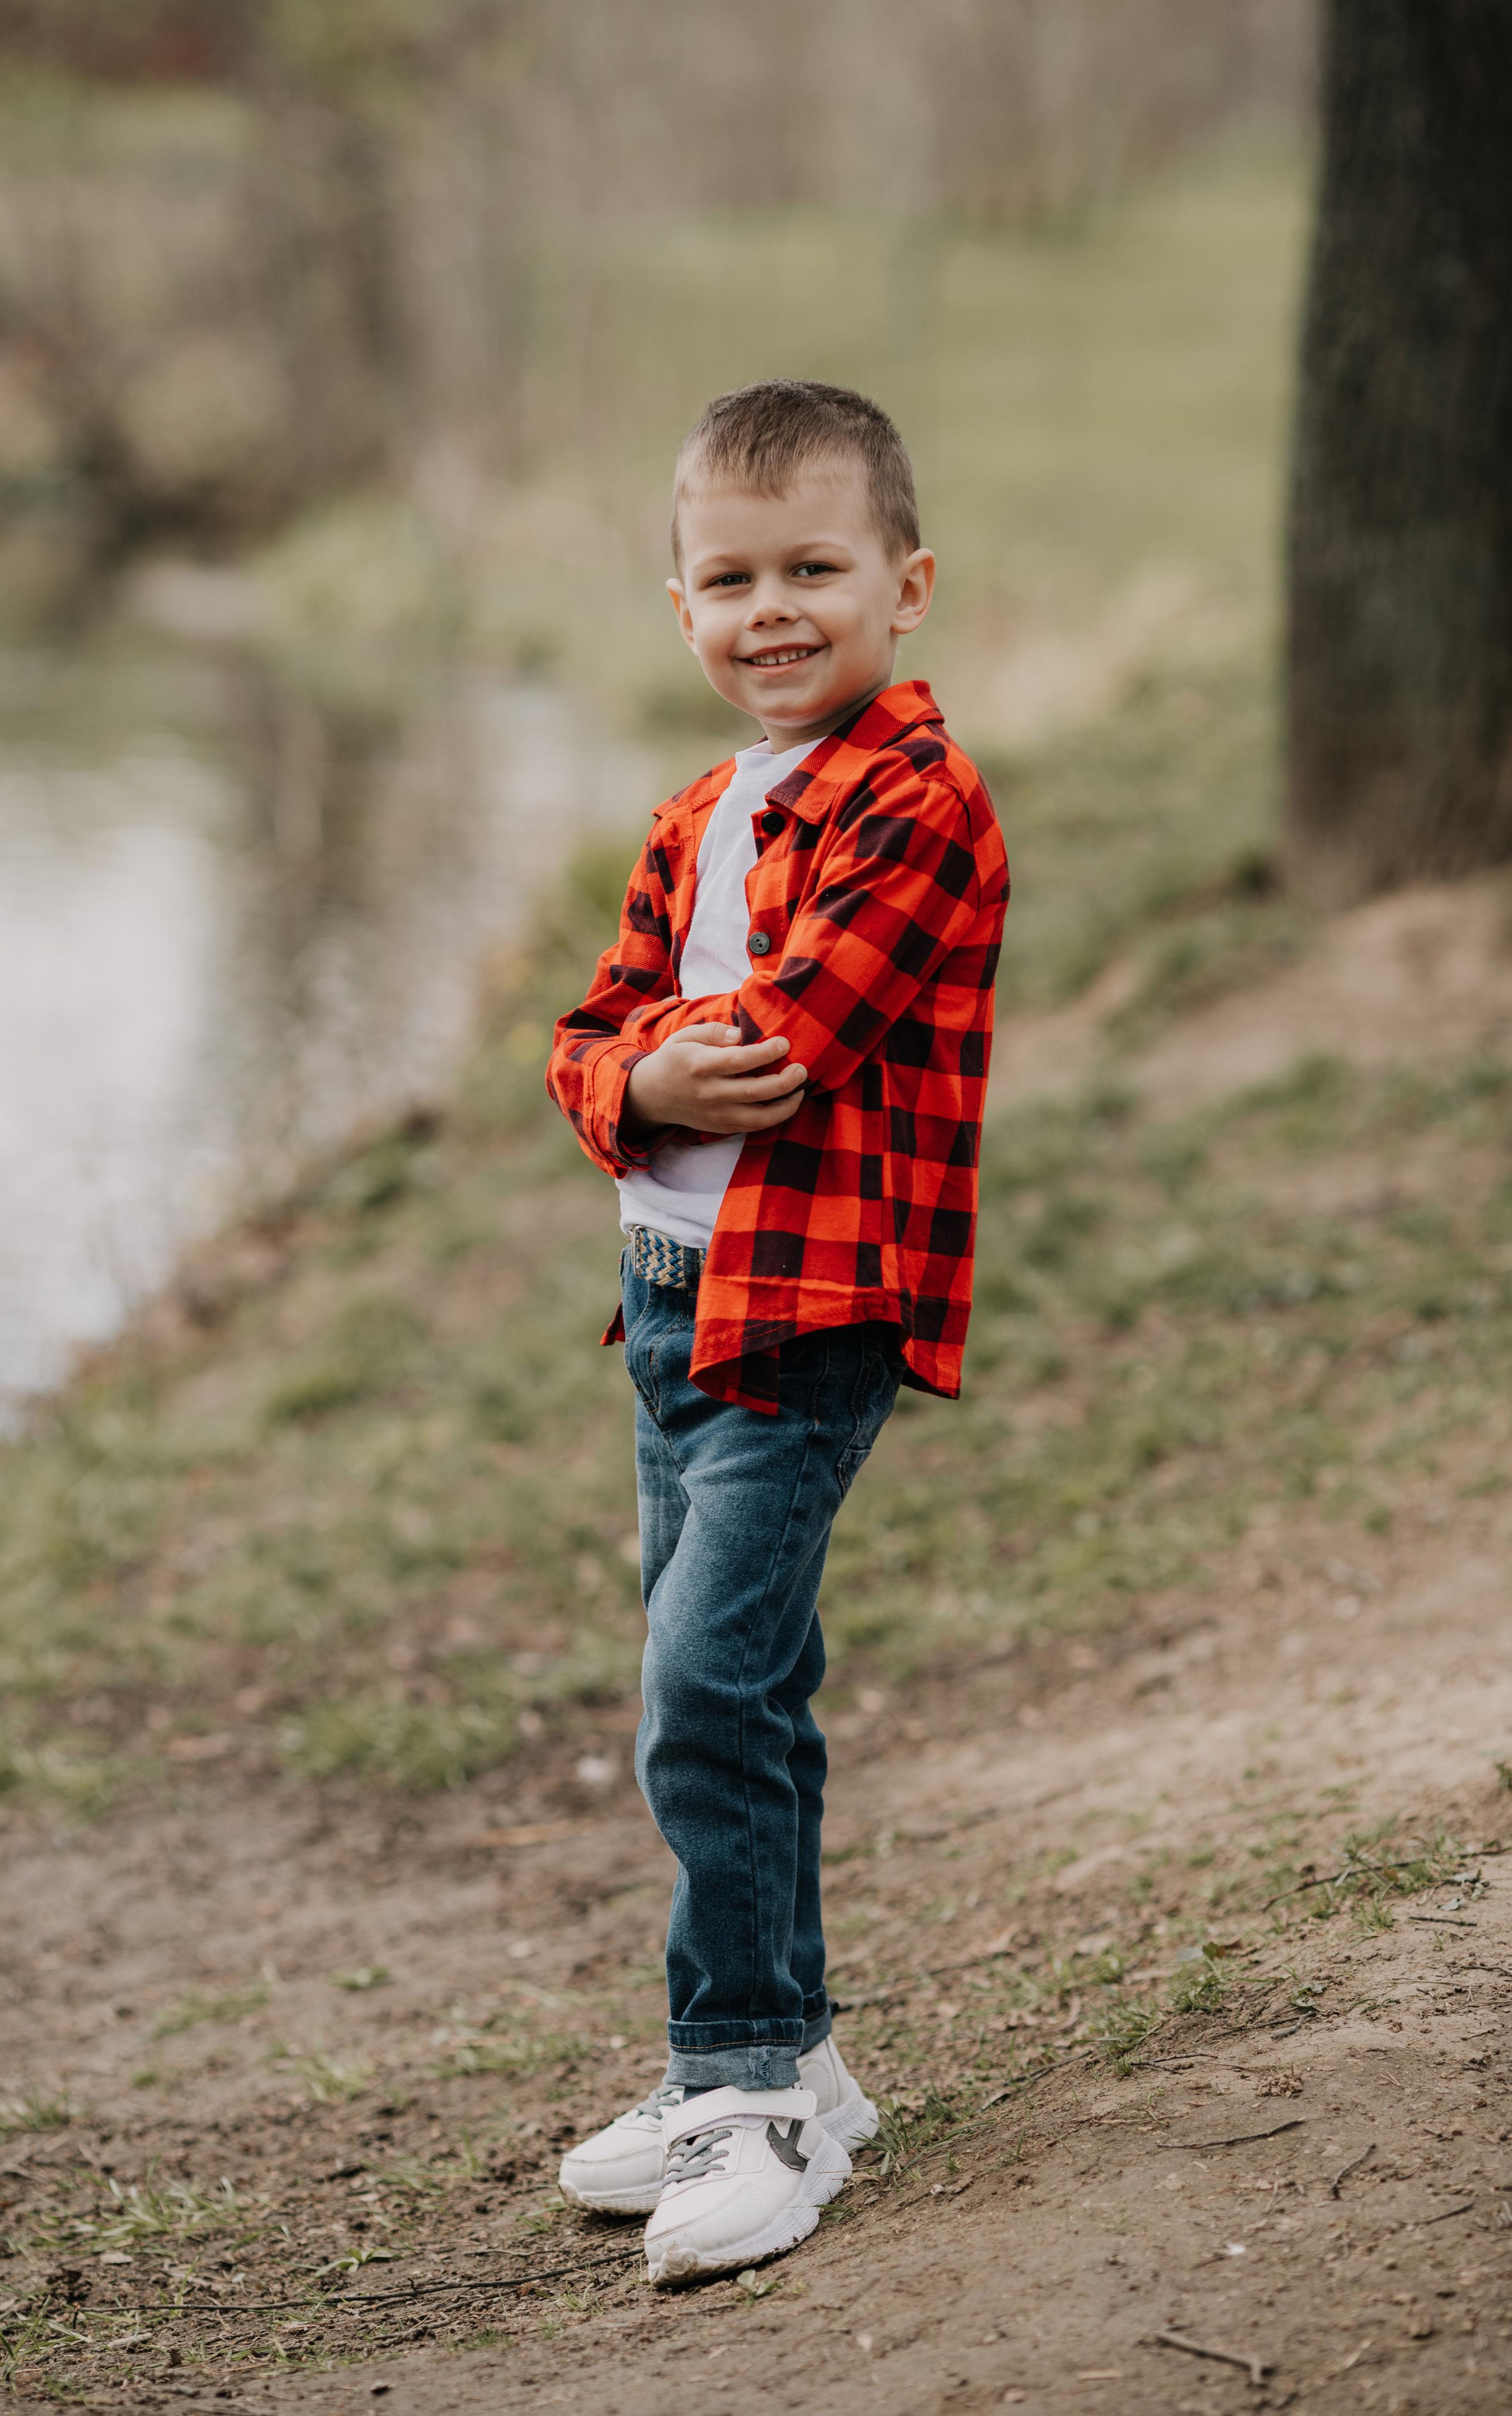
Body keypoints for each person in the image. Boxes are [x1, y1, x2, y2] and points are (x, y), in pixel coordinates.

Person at [545, 379, 1009, 2285]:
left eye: (814, 567)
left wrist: (643, 1072)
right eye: (729, 578)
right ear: (680, 608)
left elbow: (768, 1051)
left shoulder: (920, 804)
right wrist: (628, 1078)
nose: (773, 610)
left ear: (905, 583)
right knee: (745, 1689)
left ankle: (739, 2086)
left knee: (704, 1693)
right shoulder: (696, 816)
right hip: (669, 1311)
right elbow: (593, 1043)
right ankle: (796, 2062)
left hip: (805, 1316)